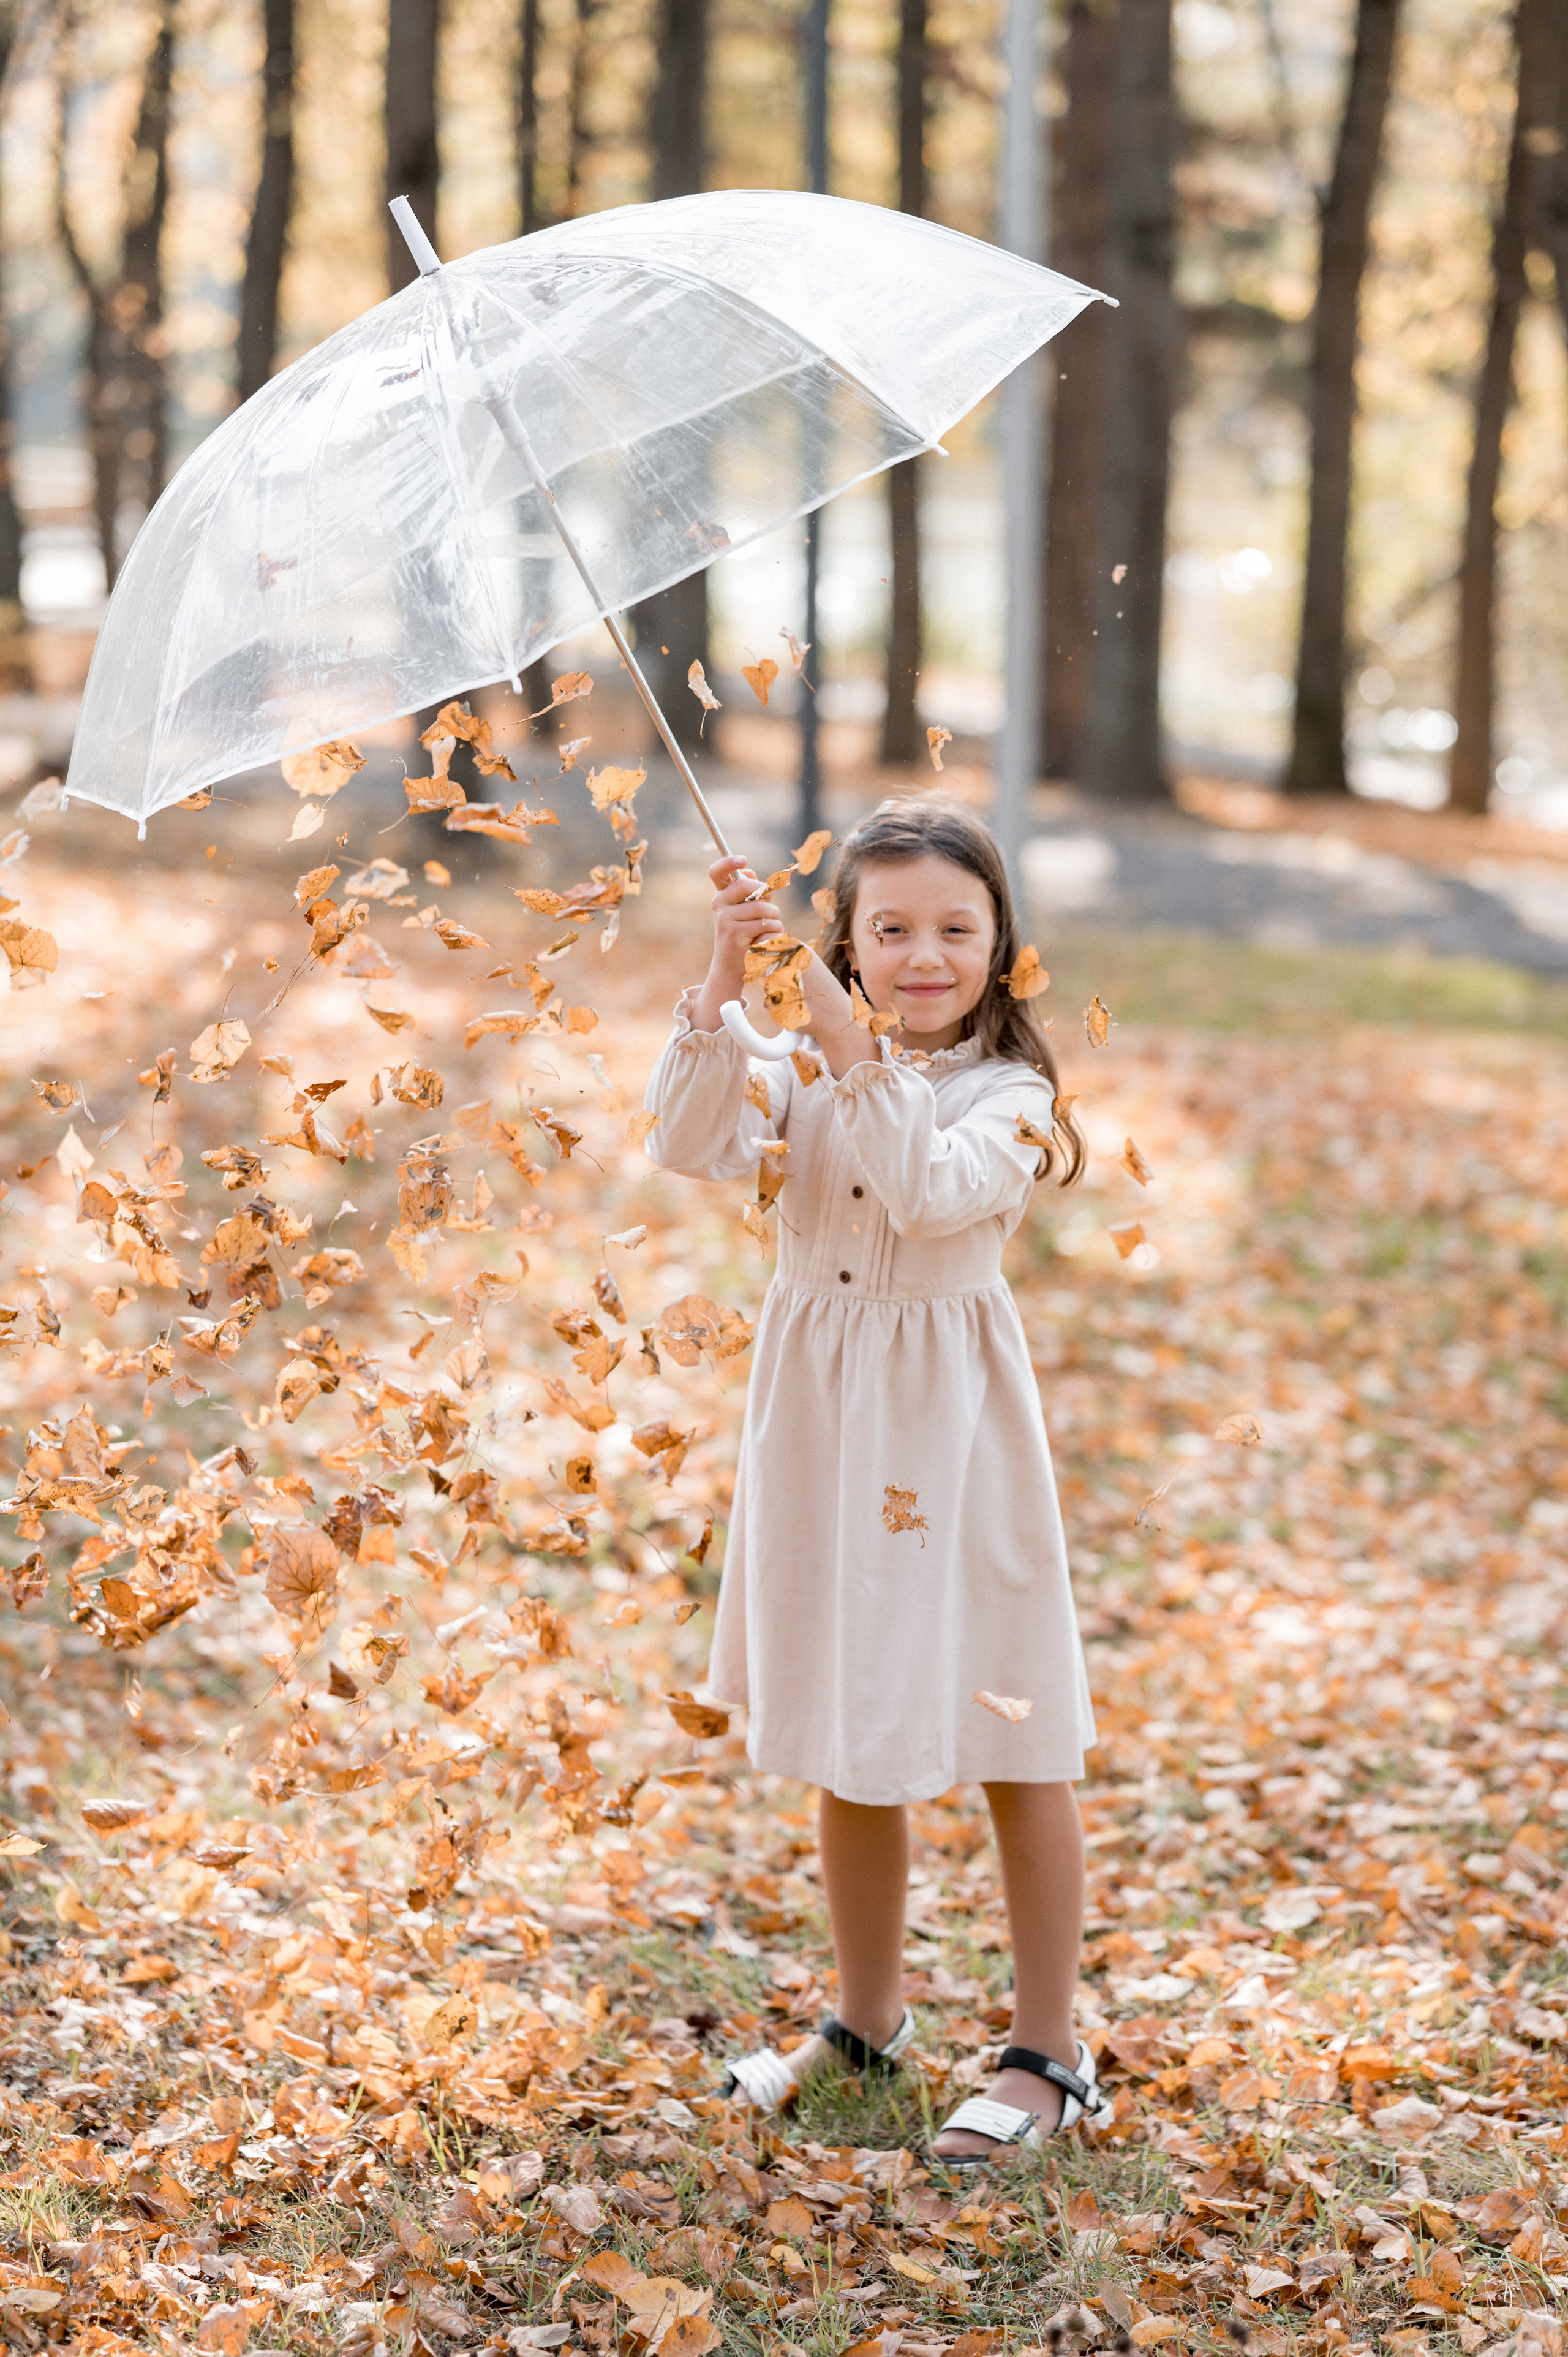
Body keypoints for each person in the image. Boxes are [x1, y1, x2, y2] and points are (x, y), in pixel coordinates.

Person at [641, 795, 1101, 2166]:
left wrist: (845, 1049)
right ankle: (865, 2019)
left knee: (1007, 1722)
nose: (921, 954)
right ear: (839, 942)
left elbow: (924, 1188)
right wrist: (727, 980)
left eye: (954, 928)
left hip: (950, 1439)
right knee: (852, 1718)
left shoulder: (1006, 1098)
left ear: (999, 946)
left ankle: (1046, 2051)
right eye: (887, 927)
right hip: (824, 1426)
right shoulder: (795, 1061)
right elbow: (691, 1137)